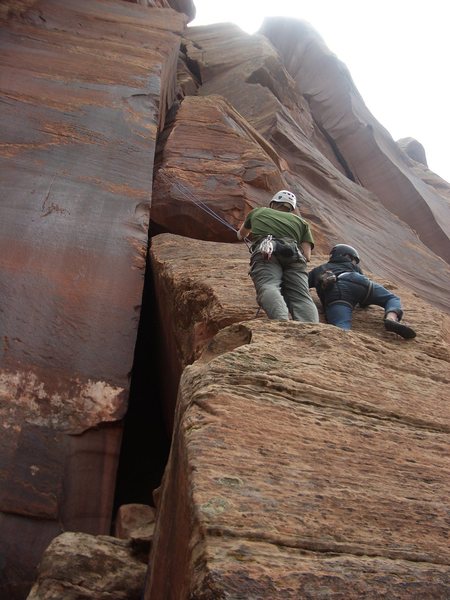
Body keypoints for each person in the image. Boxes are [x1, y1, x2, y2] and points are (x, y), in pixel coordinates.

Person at [237, 190, 319, 323]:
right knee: (301, 296)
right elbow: (307, 255)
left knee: (269, 285)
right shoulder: (302, 223)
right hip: (294, 255)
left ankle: (281, 322)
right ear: (291, 207)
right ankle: (311, 327)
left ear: (273, 203)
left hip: (267, 252)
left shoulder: (259, 212)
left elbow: (242, 234)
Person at [308, 244, 416, 338]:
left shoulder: (320, 269)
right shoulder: (355, 268)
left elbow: (302, 284)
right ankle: (391, 318)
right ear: (348, 257)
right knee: (391, 298)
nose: (355, 263)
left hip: (338, 290)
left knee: (341, 326)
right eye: (354, 260)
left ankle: (345, 343)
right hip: (360, 281)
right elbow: (363, 302)